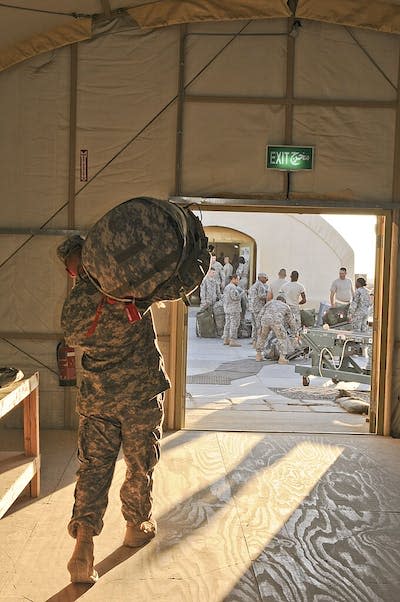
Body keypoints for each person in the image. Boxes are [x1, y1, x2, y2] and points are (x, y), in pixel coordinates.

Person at [57, 235, 170, 584]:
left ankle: (83, 548)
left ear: (72, 268)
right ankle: (135, 527)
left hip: (98, 399)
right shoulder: (133, 285)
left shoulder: (75, 306)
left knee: (93, 468)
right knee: (139, 465)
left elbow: (75, 340)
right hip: (139, 396)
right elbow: (175, 280)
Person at [255, 294, 298, 364]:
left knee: (262, 337)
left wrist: (259, 327)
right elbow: (291, 321)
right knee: (282, 338)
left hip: (264, 321)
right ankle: (282, 358)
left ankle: (258, 355)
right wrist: (295, 333)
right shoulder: (286, 306)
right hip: (276, 322)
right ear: (284, 301)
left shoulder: (269, 303)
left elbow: (260, 315)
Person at [248, 273, 269, 347]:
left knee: (254, 326)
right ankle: (258, 343)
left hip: (253, 308)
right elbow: (261, 296)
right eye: (265, 278)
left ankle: (254, 342)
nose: (267, 279)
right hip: (258, 308)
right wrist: (268, 295)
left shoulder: (254, 285)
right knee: (259, 325)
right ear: (260, 278)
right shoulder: (260, 285)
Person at [222, 274, 242, 347]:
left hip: (227, 308)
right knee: (234, 324)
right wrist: (241, 294)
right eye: (237, 279)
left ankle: (226, 339)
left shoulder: (227, 287)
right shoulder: (233, 288)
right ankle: (232, 340)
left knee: (227, 324)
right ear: (233, 279)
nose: (238, 281)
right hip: (234, 309)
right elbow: (235, 297)